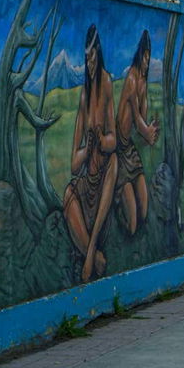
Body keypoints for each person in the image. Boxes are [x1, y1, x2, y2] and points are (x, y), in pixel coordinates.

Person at [63, 25, 119, 282]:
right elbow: (74, 165)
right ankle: (93, 256)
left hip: (104, 175)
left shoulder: (106, 83)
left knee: (114, 163)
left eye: (92, 58)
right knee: (68, 195)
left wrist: (100, 141)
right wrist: (87, 149)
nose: (89, 64)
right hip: (88, 181)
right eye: (86, 60)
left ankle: (90, 246)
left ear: (98, 53)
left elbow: (113, 140)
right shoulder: (85, 95)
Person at [115, 30, 159, 235]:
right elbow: (137, 121)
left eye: (149, 58)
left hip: (130, 150)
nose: (147, 62)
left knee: (144, 211)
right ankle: (116, 206)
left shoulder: (142, 81)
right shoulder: (132, 79)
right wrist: (147, 131)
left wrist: (150, 129)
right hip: (119, 150)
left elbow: (143, 115)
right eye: (145, 57)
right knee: (132, 225)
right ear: (139, 55)